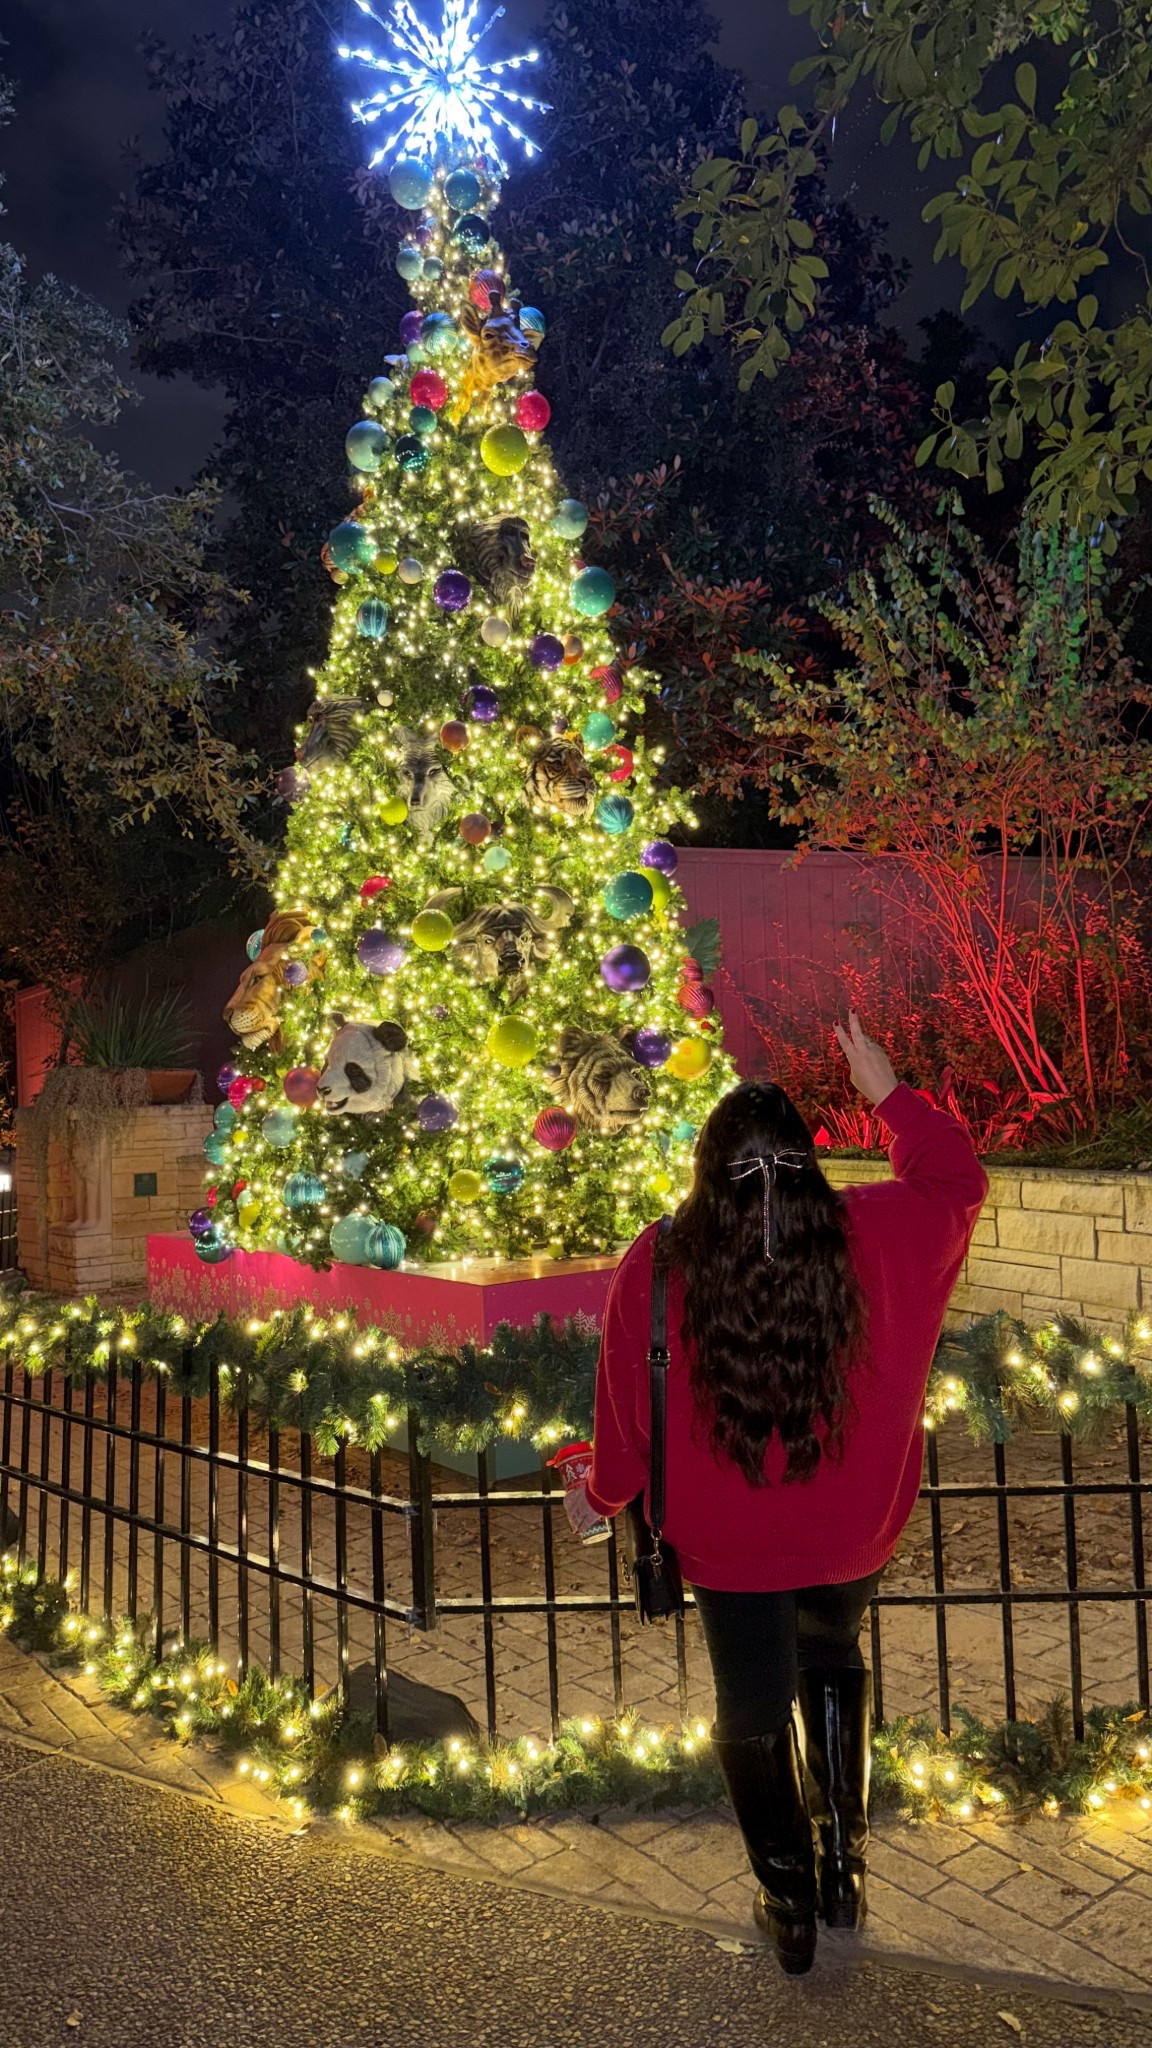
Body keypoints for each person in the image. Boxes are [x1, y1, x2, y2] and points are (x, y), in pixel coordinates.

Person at [584, 1015, 988, 1976]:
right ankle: (844, 1864)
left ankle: (790, 1898)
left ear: (705, 1168)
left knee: (751, 1704)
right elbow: (957, 1180)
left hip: (727, 1544)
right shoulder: (883, 1230)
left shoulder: (660, 1259)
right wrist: (887, 1093)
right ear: (808, 1163)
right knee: (833, 1652)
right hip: (851, 1525)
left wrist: (600, 1495)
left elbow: (626, 1416)